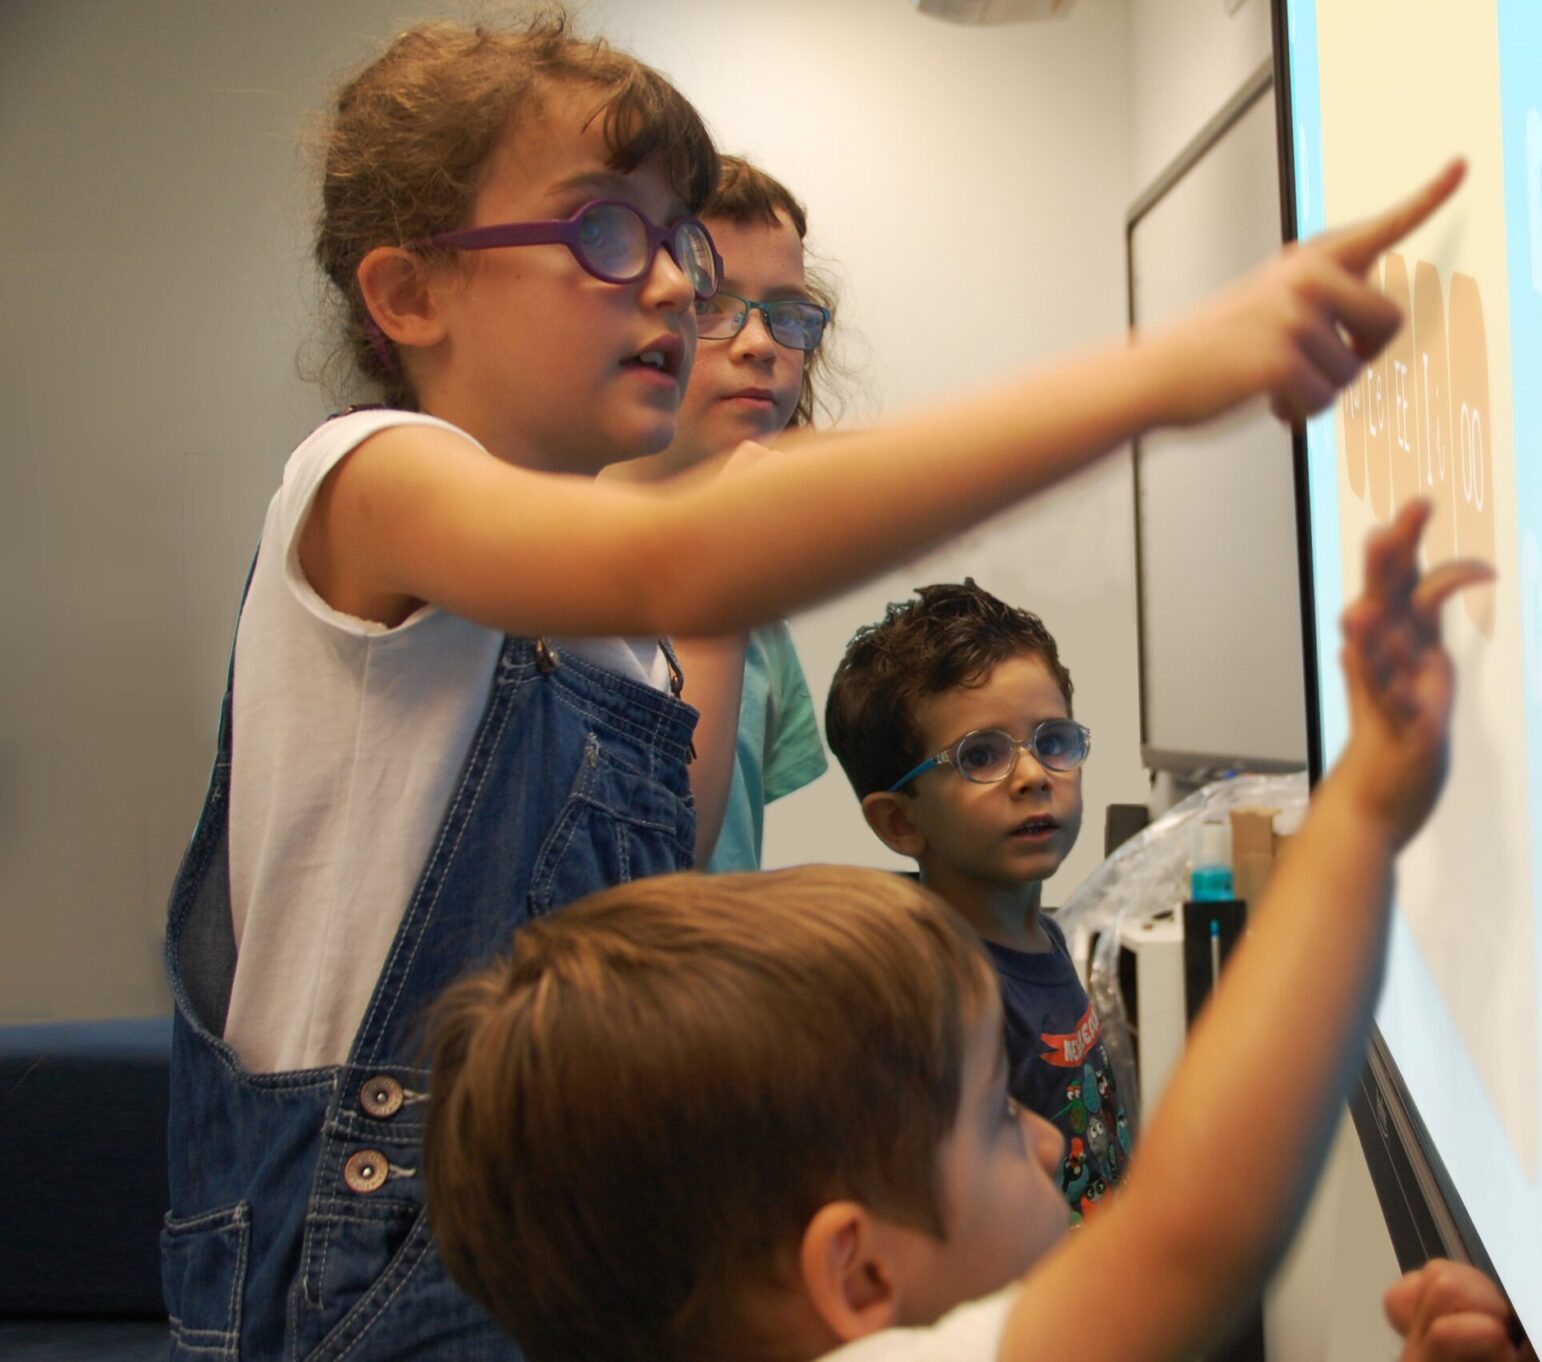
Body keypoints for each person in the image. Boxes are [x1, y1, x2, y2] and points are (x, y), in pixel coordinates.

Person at [159, 7, 1464, 1357]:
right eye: (605, 232)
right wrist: (1162, 378)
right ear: (410, 294)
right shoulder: (366, 477)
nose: (673, 289)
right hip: (357, 1269)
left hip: (578, 1258)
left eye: (677, 244)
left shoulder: (634, 632)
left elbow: (665, 889)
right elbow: (678, 558)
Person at [422, 503, 1524, 1362]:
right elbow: (1192, 1237)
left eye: (1052, 741)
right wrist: (1366, 803)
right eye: (997, 1123)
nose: (1041, 1141)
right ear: (859, 1279)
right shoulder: (932, 994)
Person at [824, 581, 1129, 1220]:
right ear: (900, 822)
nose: (1033, 775)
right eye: (981, 756)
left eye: (1052, 741)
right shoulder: (947, 999)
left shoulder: (1042, 934)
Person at [607, 154, 844, 871]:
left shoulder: (761, 620)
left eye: (788, 314)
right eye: (710, 303)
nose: (760, 344)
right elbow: (660, 858)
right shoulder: (551, 575)